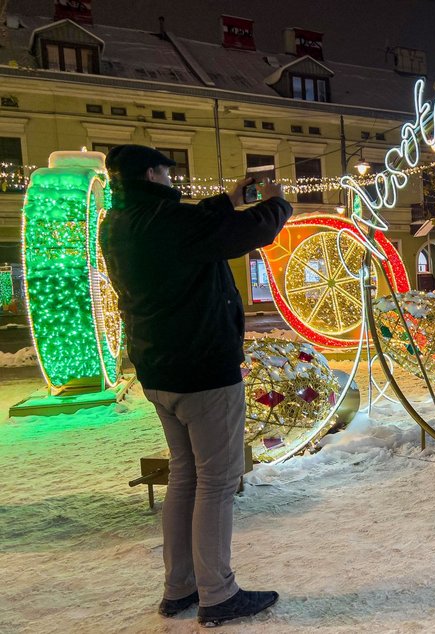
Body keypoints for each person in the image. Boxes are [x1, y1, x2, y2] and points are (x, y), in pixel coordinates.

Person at [100, 145, 292, 626]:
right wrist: (277, 202)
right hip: (203, 368)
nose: (172, 180)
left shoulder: (118, 223)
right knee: (218, 482)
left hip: (159, 370)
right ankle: (218, 593)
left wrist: (227, 198)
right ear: (151, 173)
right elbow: (253, 231)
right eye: (167, 173)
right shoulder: (169, 224)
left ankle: (180, 587)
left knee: (185, 475)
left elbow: (188, 223)